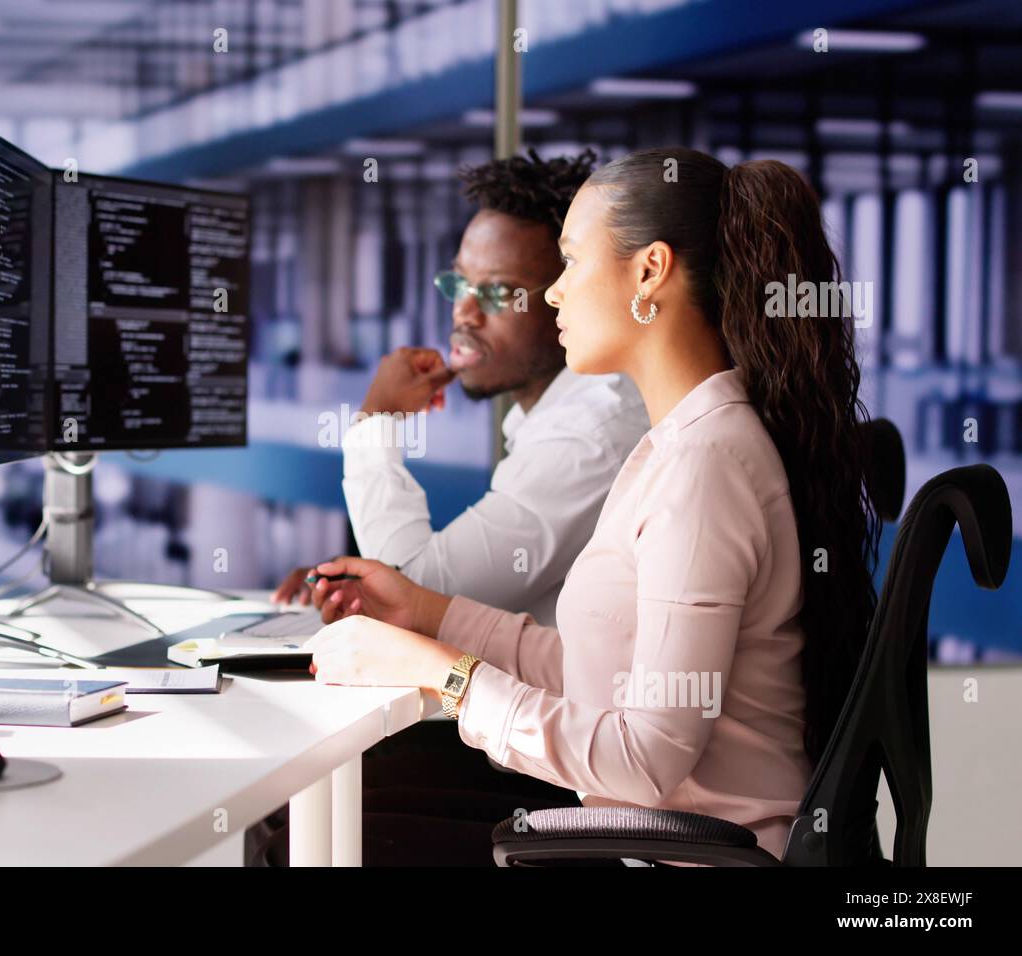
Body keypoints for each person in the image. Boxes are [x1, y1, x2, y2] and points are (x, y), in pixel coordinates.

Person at [266, 147, 879, 866]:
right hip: (650, 840)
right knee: (320, 830)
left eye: (572, 263)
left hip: (671, 854)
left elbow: (643, 759)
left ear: (649, 271)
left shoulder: (705, 466)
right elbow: (603, 673)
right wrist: (428, 617)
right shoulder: (679, 447)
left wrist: (445, 673)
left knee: (317, 844)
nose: (554, 294)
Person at [273, 148, 649, 627]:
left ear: (568, 292)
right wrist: (355, 581)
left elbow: (415, 592)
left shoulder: (588, 434)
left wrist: (377, 421)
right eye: (459, 284)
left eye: (495, 293)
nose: (464, 313)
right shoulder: (560, 414)